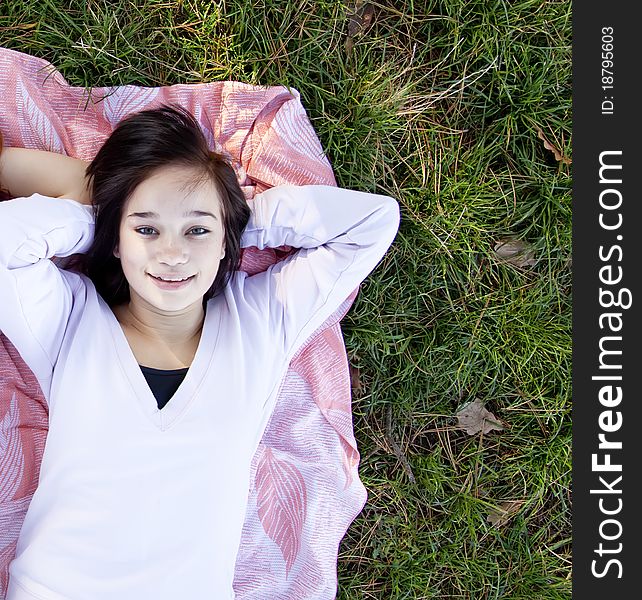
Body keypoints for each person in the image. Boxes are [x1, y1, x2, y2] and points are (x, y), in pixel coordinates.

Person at [0, 104, 400, 600]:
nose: (172, 254)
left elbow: (371, 222)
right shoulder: (69, 322)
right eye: (147, 230)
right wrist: (101, 214)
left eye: (196, 230)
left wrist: (231, 227)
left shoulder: (261, 323)